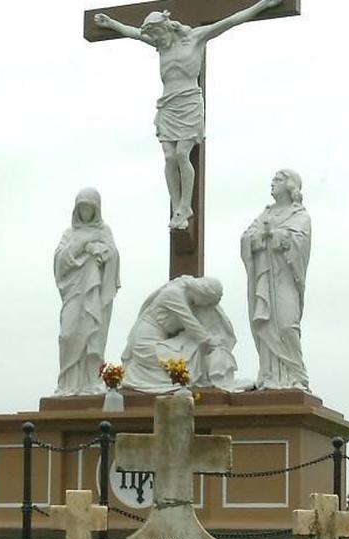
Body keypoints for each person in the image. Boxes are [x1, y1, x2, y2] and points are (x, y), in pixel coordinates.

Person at [94, 0, 282, 230]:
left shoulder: (195, 38)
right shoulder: (161, 43)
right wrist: (112, 23)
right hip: (168, 105)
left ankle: (186, 205)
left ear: (166, 28)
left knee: (182, 154)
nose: (157, 41)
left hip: (189, 102)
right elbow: (133, 33)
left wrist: (263, 4)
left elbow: (233, 19)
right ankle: (177, 206)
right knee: (169, 157)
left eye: (158, 35)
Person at [241, 169, 311, 391]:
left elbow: (299, 242)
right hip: (265, 276)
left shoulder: (300, 215)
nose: (273, 182)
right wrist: (260, 237)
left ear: (291, 186)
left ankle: (296, 375)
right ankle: (270, 374)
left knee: (288, 324)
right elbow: (246, 238)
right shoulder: (265, 215)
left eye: (278, 179)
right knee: (267, 321)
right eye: (273, 179)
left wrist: (280, 237)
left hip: (285, 276)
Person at [54, 188, 120, 396]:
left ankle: (92, 381)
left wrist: (102, 254)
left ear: (96, 209)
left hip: (93, 292)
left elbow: (113, 256)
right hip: (74, 290)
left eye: (89, 208)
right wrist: (84, 244)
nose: (85, 211)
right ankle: (68, 383)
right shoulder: (69, 234)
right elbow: (59, 261)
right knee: (67, 334)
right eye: (81, 207)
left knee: (92, 333)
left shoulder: (104, 231)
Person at [121, 275, 237, 392]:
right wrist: (211, 341)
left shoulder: (185, 292)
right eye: (207, 302)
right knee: (189, 355)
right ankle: (135, 373)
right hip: (144, 343)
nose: (204, 306)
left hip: (161, 340)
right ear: (202, 294)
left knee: (191, 349)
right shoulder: (173, 294)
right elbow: (191, 324)